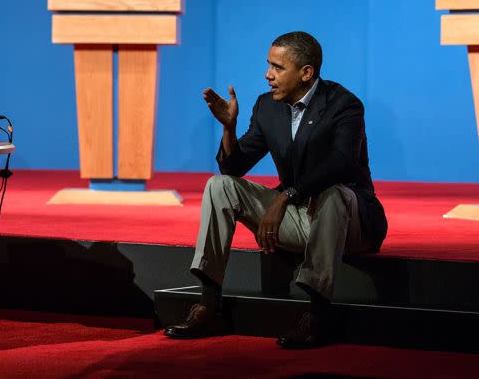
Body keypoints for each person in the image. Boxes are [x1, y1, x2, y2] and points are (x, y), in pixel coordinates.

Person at [163, 31, 387, 348]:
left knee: (333, 193)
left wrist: (286, 195)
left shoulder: (343, 105)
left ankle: (318, 315)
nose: (268, 75)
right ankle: (209, 303)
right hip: (300, 219)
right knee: (219, 186)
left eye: (278, 67)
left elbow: (342, 164)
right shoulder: (267, 107)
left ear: (306, 73)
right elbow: (233, 169)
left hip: (350, 223)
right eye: (269, 65)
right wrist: (229, 127)